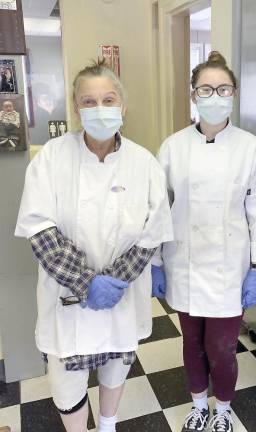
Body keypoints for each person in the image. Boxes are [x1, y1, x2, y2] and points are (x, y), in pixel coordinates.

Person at [15, 59, 173, 432]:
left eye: (108, 99)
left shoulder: (143, 163)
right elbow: (40, 229)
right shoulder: (52, 158)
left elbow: (152, 232)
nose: (99, 109)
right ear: (75, 107)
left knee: (116, 365)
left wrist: (114, 282)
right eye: (89, 101)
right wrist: (87, 283)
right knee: (66, 382)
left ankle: (107, 425)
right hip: (67, 299)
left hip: (122, 295)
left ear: (123, 105)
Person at [151, 51, 256, 432]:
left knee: (222, 349)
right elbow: (158, 208)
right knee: (191, 342)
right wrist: (156, 262)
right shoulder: (173, 147)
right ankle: (198, 404)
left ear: (234, 94)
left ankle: (223, 408)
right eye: (206, 88)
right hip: (183, 264)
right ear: (194, 95)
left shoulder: (250, 148)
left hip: (230, 269)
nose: (214, 95)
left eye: (223, 88)